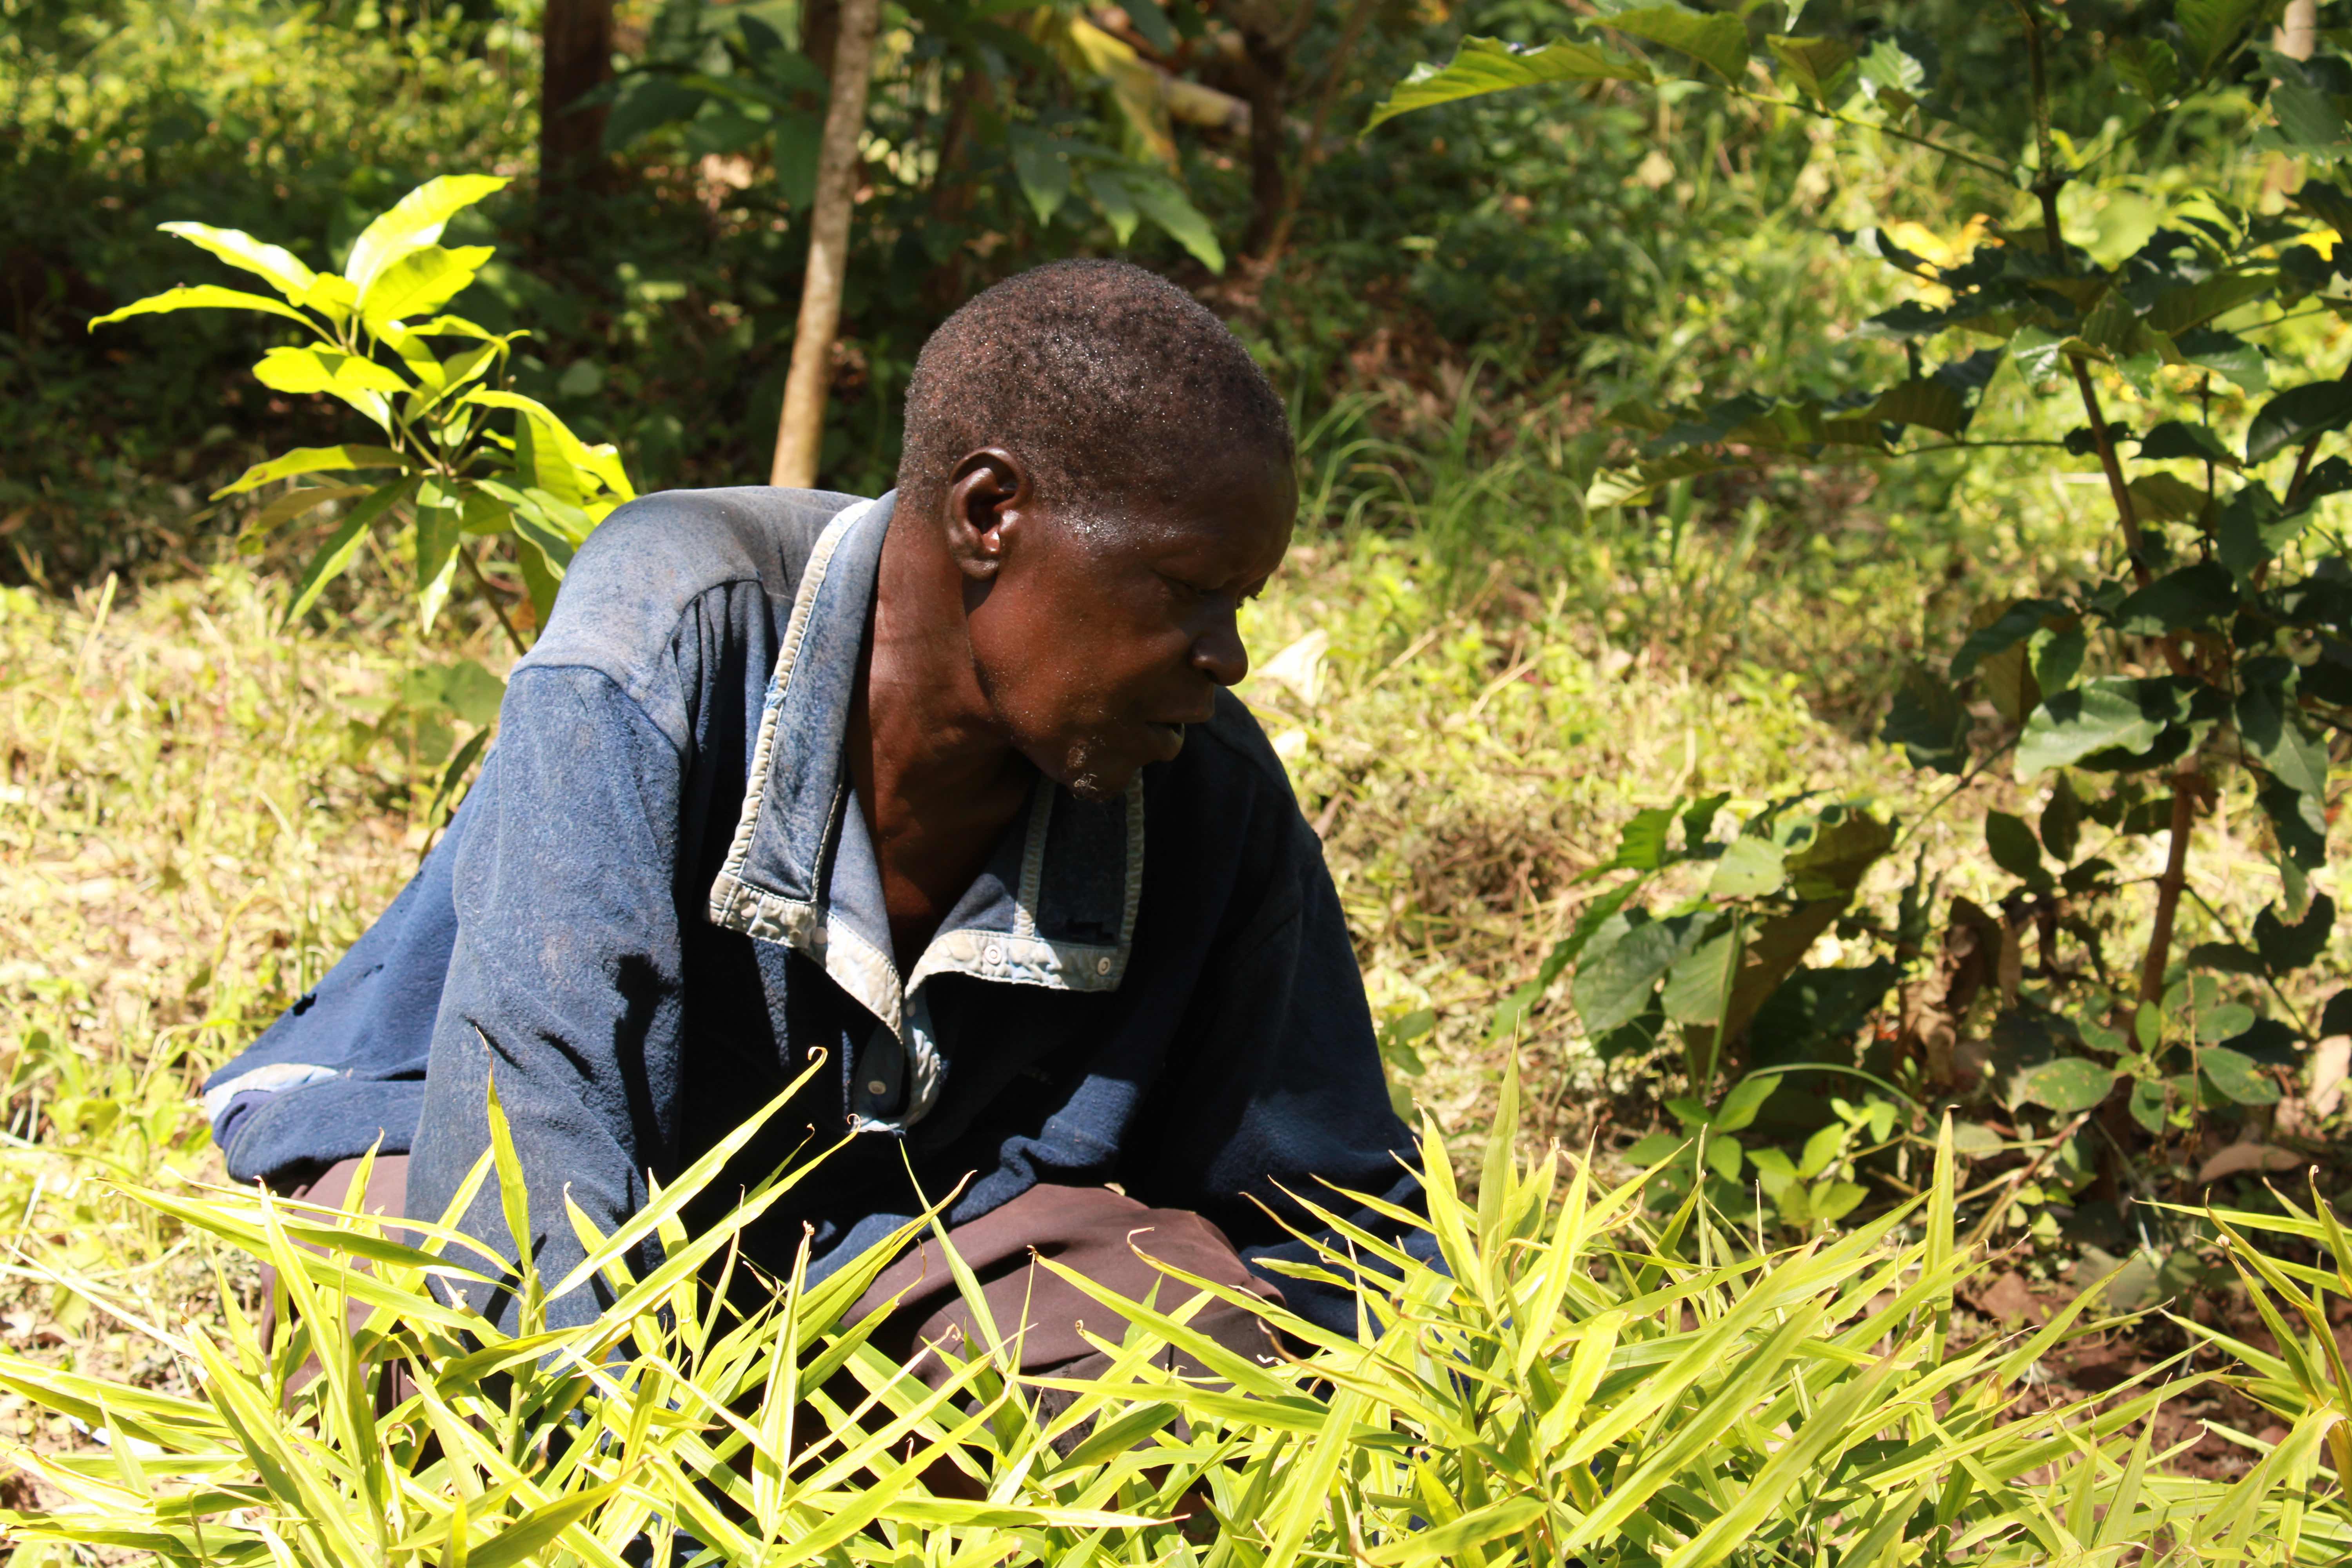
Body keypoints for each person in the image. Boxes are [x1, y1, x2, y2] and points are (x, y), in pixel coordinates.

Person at [201, 260, 1427, 1387]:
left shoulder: (1203, 776)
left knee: (1183, 1348)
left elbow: (1331, 1211)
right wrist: (604, 1488)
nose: (1229, 655)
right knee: (402, 1315)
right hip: (520, 1148)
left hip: (917, 1233)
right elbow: (533, 1122)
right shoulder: (669, 624)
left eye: (1243, 601)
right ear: (989, 512)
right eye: (1186, 590)